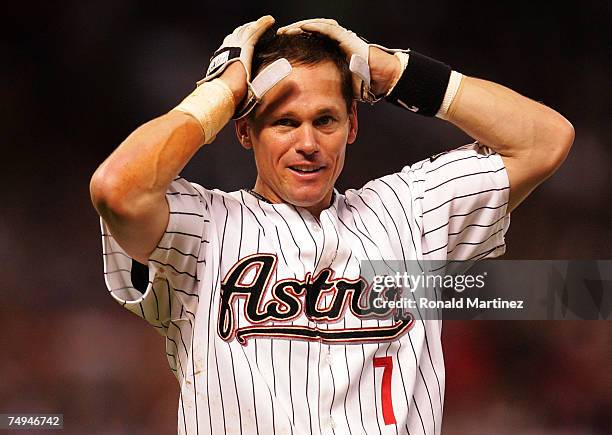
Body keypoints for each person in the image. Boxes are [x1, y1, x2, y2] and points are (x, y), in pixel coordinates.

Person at [90, 15, 574, 435]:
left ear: (353, 126)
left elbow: (546, 141)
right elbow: (117, 188)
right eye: (284, 122)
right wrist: (221, 91)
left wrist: (396, 73)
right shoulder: (202, 227)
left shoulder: (410, 213)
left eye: (326, 120)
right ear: (243, 129)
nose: (308, 142)